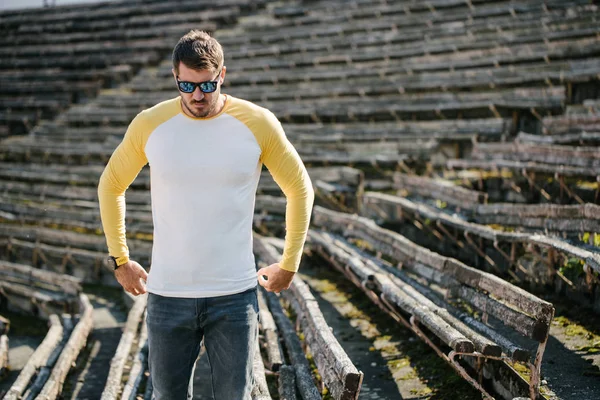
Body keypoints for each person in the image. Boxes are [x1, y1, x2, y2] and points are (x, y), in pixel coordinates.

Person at [97, 30, 314, 400]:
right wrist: (120, 259)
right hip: (167, 295)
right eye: (187, 84)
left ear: (222, 75)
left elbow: (300, 187)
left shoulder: (258, 123)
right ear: (174, 77)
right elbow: (110, 185)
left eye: (206, 85)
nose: (197, 95)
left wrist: (289, 263)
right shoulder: (150, 123)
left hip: (234, 295)